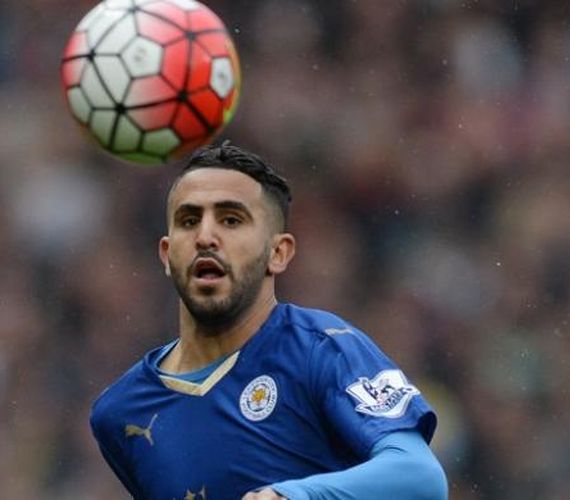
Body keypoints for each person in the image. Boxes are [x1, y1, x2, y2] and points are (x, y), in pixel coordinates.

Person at [90, 142, 448, 500]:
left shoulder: (321, 348)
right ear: (167, 255)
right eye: (189, 220)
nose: (205, 237)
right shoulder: (120, 411)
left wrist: (293, 496)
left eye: (231, 220)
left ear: (278, 253)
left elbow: (420, 477)